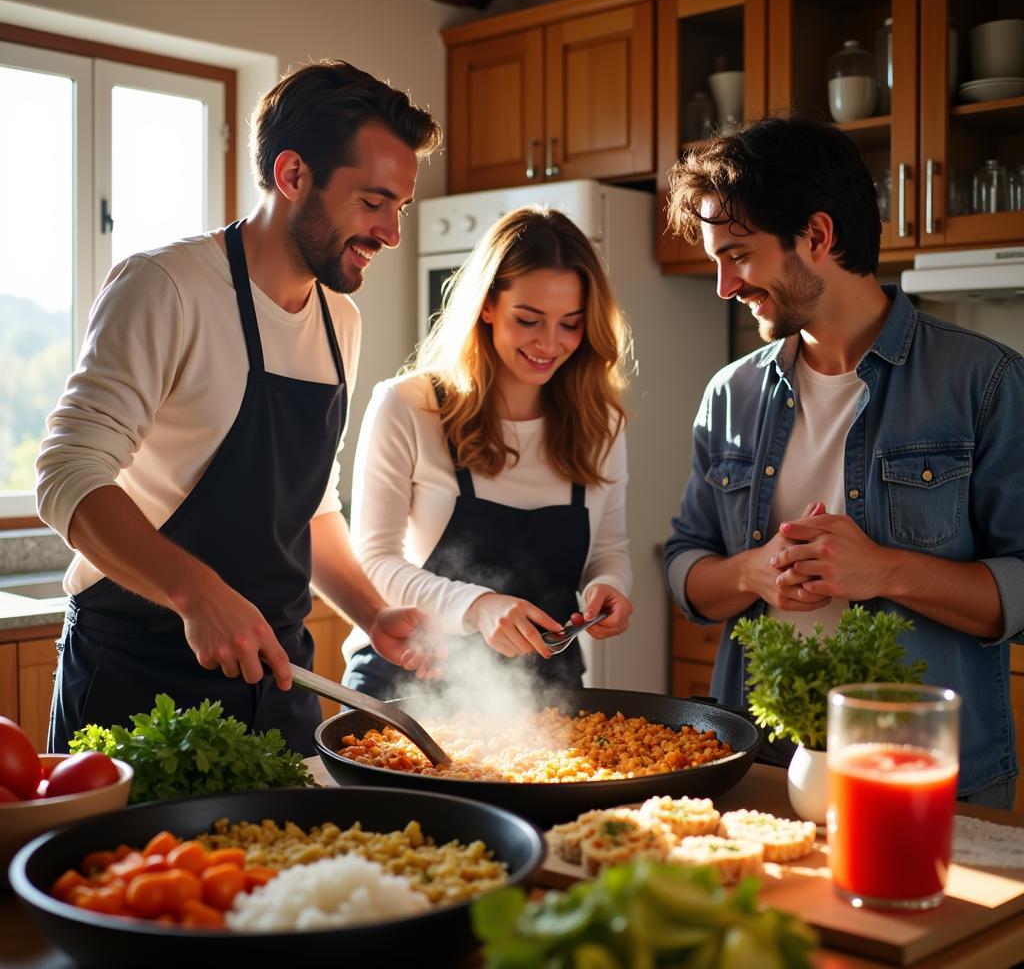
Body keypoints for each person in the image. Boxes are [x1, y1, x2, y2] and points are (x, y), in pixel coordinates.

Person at [37, 60, 445, 755]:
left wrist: (373, 615)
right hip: (139, 678)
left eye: (399, 208)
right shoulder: (165, 286)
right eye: (373, 202)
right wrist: (196, 592)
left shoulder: (338, 321)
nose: (391, 233)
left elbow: (308, 508)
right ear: (292, 177)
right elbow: (68, 475)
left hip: (281, 685)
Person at [662, 116, 1024, 808]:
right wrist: (752, 570)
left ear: (819, 237)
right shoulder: (730, 394)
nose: (723, 284)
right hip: (761, 765)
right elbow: (686, 572)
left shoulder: (985, 384)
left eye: (737, 254)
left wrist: (883, 570)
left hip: (926, 777)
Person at [341, 207, 634, 698]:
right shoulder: (410, 406)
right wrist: (479, 607)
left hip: (546, 693)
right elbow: (374, 562)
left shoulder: (600, 422)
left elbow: (608, 551)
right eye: (529, 319)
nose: (549, 343)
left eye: (571, 324)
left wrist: (611, 587)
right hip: (408, 683)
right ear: (487, 306)